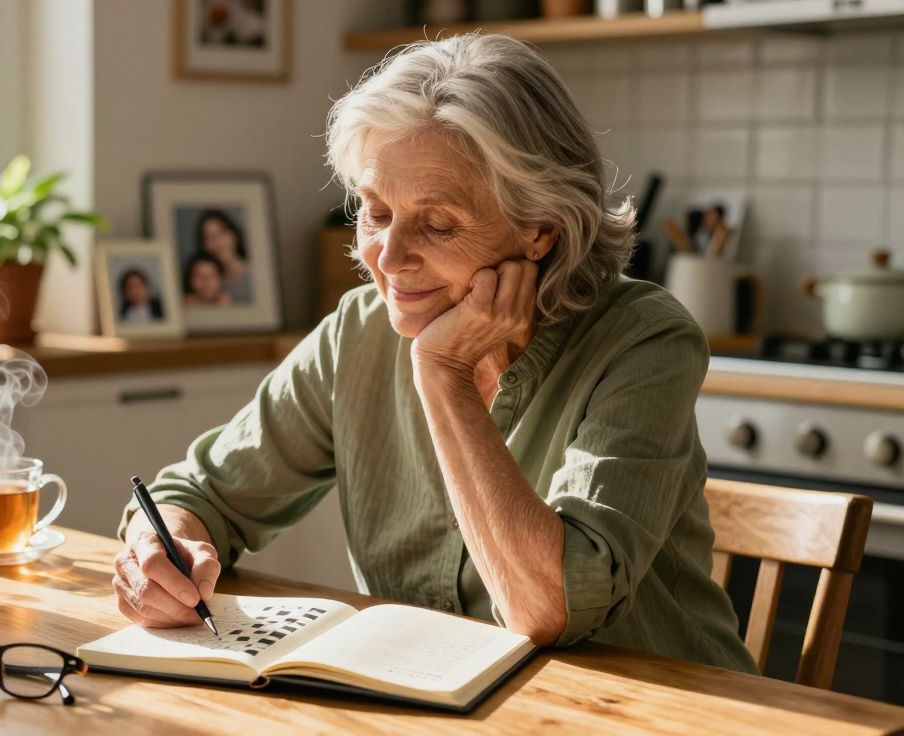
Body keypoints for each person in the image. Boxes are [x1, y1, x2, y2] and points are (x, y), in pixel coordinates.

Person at [111, 33, 756, 673]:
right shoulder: (357, 333)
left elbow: (549, 609)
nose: (387, 259)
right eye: (375, 211)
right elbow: (201, 493)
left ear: (539, 229)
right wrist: (158, 550)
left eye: (438, 223)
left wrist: (441, 374)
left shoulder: (643, 340)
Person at [194, 209, 253, 304]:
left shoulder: (257, 274)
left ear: (234, 235)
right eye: (209, 237)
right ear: (204, 246)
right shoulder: (207, 284)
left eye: (221, 233)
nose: (218, 242)